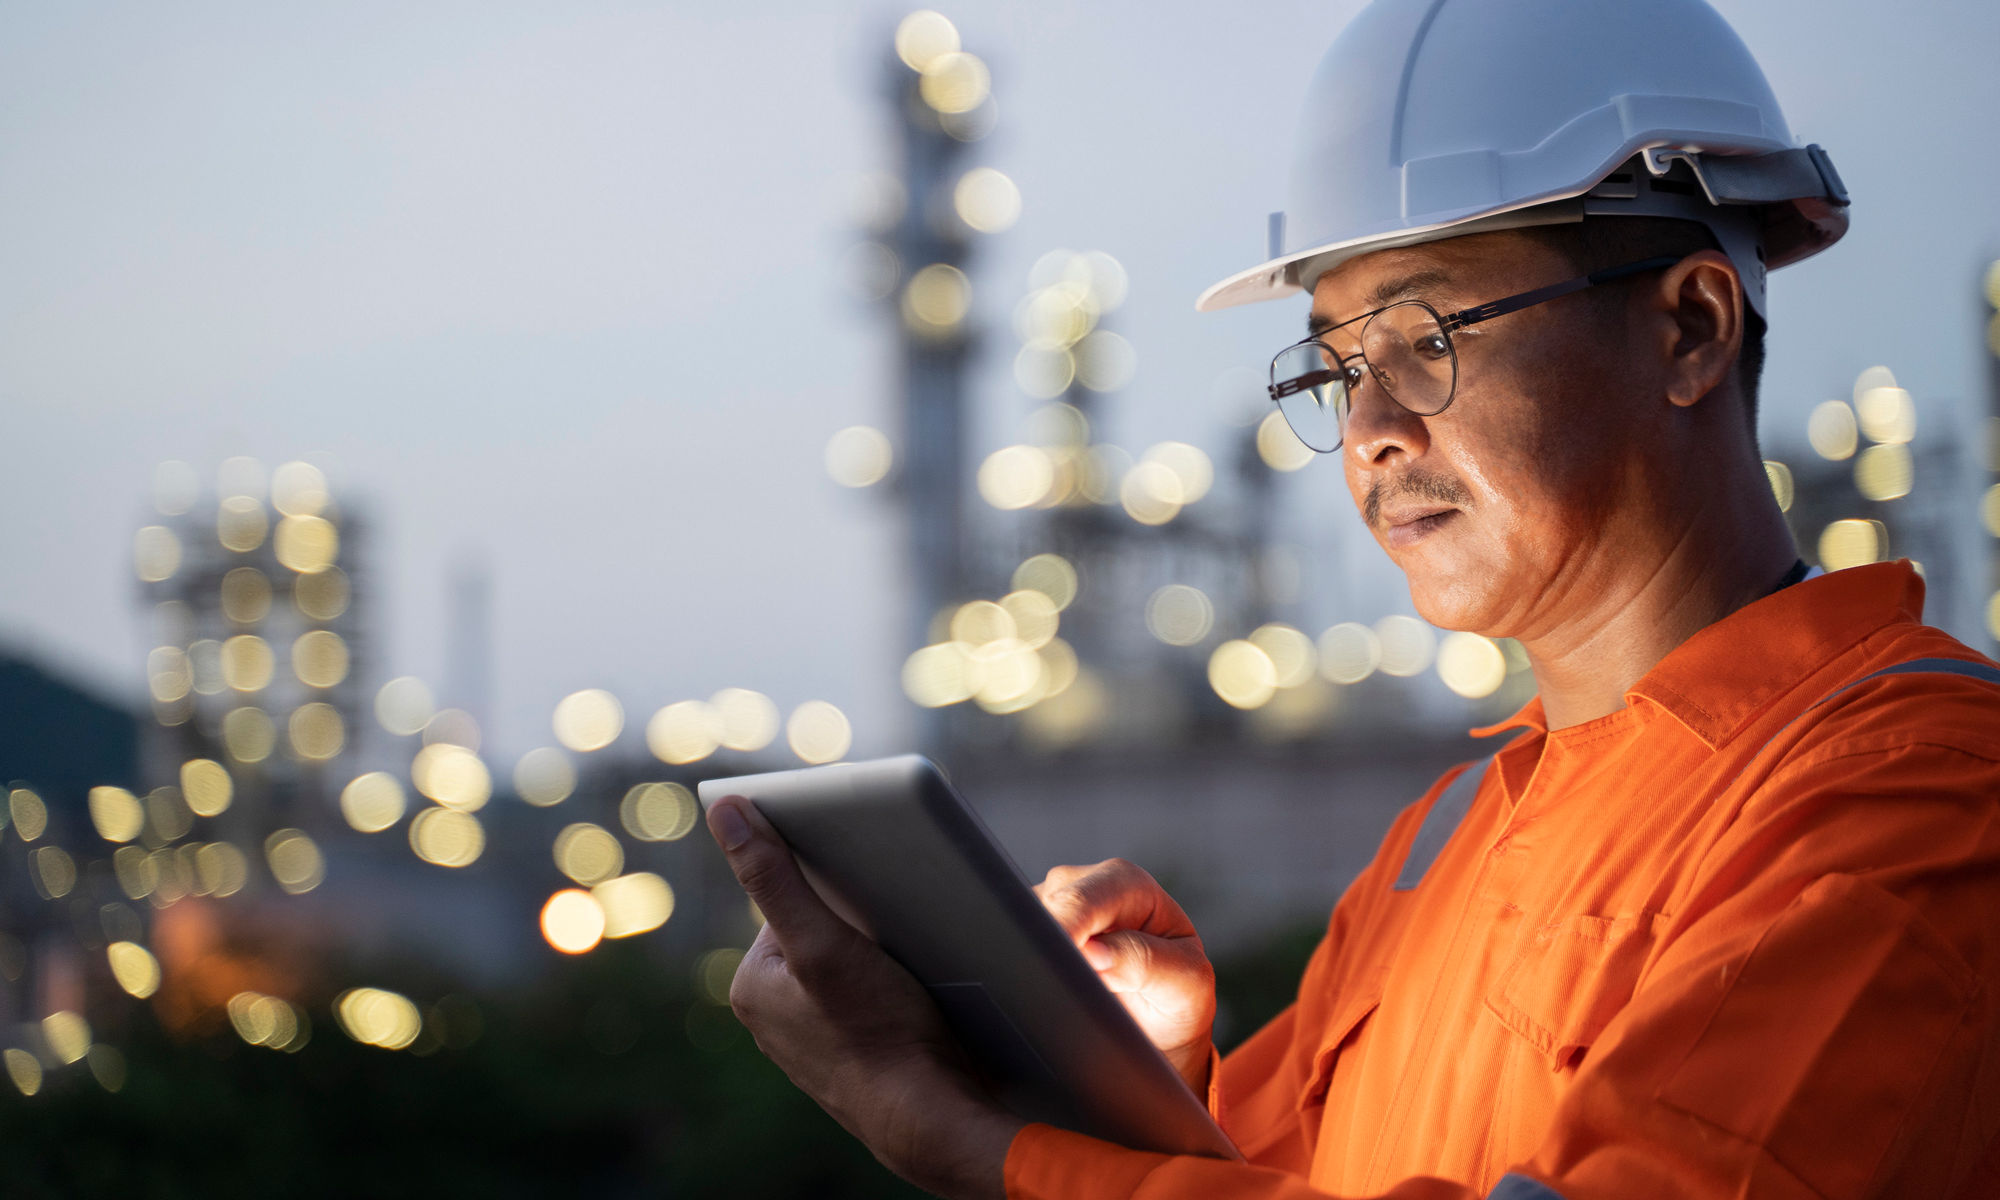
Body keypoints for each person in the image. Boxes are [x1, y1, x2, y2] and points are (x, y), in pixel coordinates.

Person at [703, 1, 2000, 1196]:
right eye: (1334, 371)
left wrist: (990, 1152)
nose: (1369, 432)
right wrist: (1129, 1080)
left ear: (1690, 329)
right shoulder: (1443, 846)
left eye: (1424, 341)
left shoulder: (1917, 799)